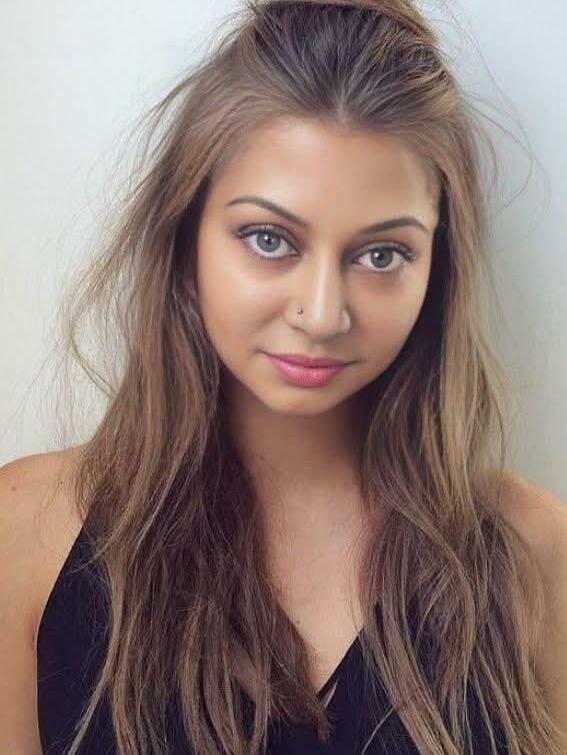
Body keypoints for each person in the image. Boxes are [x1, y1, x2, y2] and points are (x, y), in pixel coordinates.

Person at [1, 1, 566, 753]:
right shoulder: (28, 533)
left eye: (381, 254)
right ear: (185, 234)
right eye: (269, 238)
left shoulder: (532, 553)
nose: (321, 313)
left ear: (438, 268)